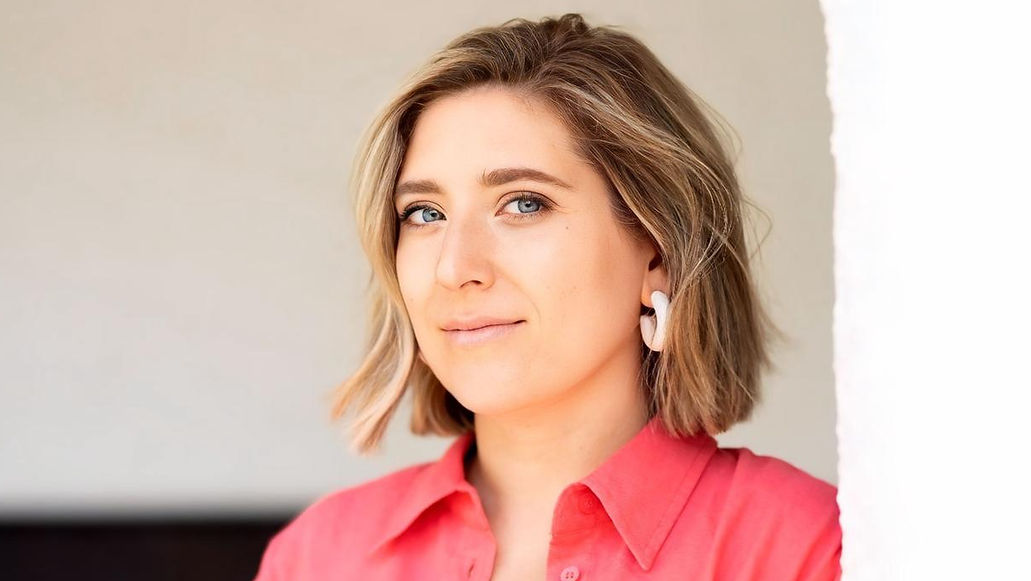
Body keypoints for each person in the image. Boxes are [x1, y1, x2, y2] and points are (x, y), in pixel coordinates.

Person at [254, 12, 840, 581]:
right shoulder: (316, 557)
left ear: (657, 254)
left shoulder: (805, 549)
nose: (455, 268)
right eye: (424, 213)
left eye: (524, 203)